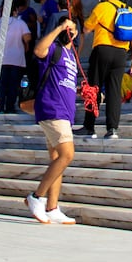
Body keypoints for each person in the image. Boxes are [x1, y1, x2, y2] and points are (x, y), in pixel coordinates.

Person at [25, 15, 80, 225]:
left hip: (65, 111)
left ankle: (52, 206)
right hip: (51, 107)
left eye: (73, 30)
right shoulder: (54, 48)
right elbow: (38, 51)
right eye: (68, 28)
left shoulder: (70, 55)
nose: (70, 32)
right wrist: (59, 29)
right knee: (67, 154)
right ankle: (36, 197)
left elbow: (65, 82)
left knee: (57, 157)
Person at [77, 0, 132, 140]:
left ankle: (89, 126)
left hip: (103, 49)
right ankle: (112, 129)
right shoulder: (128, 9)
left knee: (94, 88)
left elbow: (86, 28)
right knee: (114, 91)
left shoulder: (101, 7)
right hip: (121, 53)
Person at [0, 0, 31, 113]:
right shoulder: (20, 23)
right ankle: (10, 107)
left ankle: (0, 106)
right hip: (16, 58)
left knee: (1, 84)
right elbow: (28, 37)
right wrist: (26, 45)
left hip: (1, 58)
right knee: (13, 85)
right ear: (15, 11)